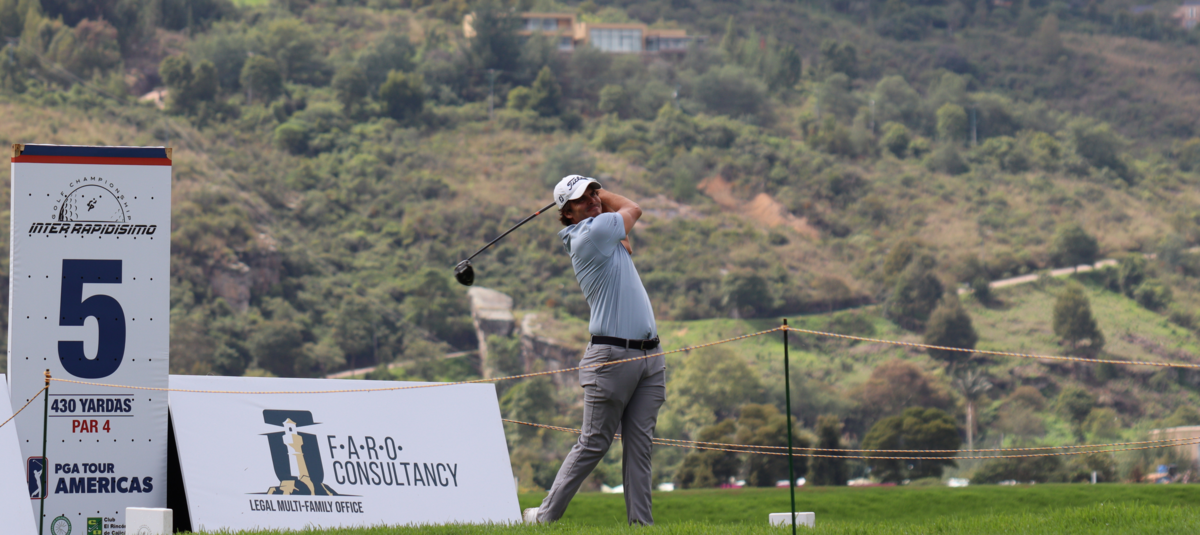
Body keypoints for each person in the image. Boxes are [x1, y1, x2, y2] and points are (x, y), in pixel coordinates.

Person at [524, 175, 665, 525]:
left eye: (593, 192)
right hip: (611, 359)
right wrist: (603, 193)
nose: (593, 200)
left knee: (640, 447)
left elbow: (625, 236)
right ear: (567, 213)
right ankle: (543, 517)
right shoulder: (592, 233)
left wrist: (594, 198)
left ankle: (642, 527)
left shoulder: (603, 231)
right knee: (593, 443)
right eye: (582, 198)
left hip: (650, 357)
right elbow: (633, 208)